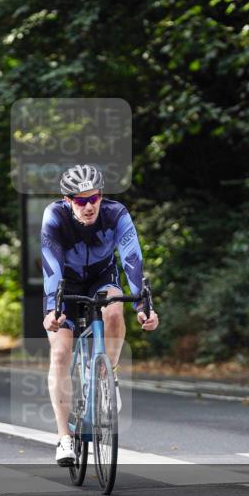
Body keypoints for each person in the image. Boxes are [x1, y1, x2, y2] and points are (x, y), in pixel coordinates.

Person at [41, 164, 159, 466]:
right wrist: (53, 310)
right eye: (80, 201)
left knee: (116, 309)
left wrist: (144, 306)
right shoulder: (54, 216)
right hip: (64, 283)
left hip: (101, 278)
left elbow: (131, 257)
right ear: (68, 201)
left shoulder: (116, 213)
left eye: (94, 198)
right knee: (60, 353)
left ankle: (108, 376)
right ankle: (64, 437)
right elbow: (51, 263)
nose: (89, 206)